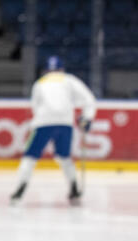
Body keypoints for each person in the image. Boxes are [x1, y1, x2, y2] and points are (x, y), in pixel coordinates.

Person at [10, 55, 96, 206]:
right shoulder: (68, 80)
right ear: (61, 69)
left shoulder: (40, 83)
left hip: (43, 122)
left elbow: (35, 107)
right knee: (64, 157)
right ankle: (74, 188)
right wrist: (87, 118)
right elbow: (89, 99)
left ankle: (19, 190)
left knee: (29, 157)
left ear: (46, 70)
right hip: (64, 123)